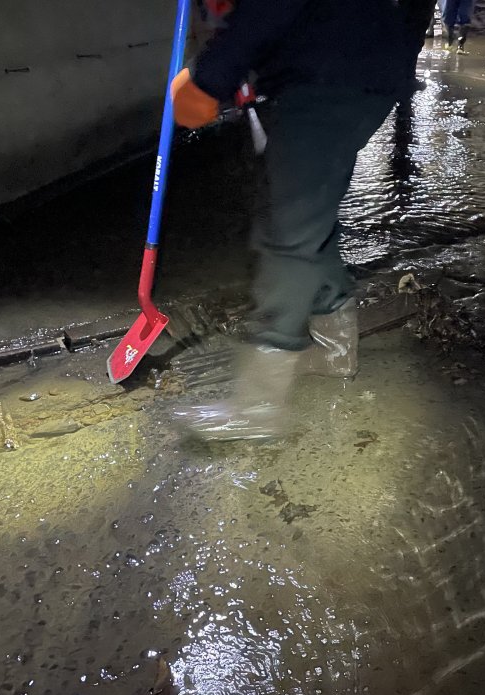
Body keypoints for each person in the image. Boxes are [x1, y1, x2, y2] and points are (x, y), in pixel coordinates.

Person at [170, 0, 426, 440]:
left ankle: (258, 407)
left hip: (327, 76)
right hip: (359, 71)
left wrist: (210, 76)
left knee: (287, 233)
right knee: (307, 216)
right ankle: (334, 350)